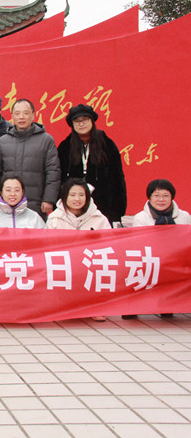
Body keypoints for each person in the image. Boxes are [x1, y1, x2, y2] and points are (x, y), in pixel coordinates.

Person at [128, 179, 190, 320]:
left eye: (165, 196)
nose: (161, 200)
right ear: (149, 197)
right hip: (150, 259)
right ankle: (132, 306)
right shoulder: (141, 217)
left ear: (172, 197)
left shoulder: (184, 216)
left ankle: (169, 305)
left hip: (176, 259)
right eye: (156, 196)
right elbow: (139, 244)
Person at [0, 99, 60, 218]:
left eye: (26, 113)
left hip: (36, 204)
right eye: (17, 113)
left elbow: (53, 172)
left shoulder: (46, 140)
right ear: (12, 116)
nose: (21, 117)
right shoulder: (3, 141)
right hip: (7, 205)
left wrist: (49, 199)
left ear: (33, 115)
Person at [57, 104, 127, 225]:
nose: (81, 124)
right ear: (72, 124)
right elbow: (59, 177)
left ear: (92, 121)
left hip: (103, 204)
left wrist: (117, 211)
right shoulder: (65, 147)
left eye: (85, 120)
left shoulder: (107, 145)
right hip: (74, 205)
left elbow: (117, 178)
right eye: (77, 121)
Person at [46, 179, 112, 231]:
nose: (77, 199)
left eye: (81, 195)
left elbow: (108, 240)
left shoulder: (99, 219)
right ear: (64, 197)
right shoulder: (54, 219)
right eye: (72, 195)